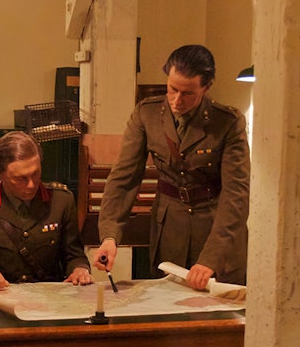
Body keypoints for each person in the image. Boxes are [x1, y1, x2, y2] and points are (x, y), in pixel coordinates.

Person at [93, 44, 250, 290]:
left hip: (214, 229)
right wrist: (109, 237)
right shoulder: (147, 113)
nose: (177, 100)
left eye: (188, 94)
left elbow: (236, 195)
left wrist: (210, 259)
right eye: (172, 89)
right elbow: (123, 179)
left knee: (218, 318)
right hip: (169, 229)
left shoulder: (228, 122)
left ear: (206, 87)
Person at [0, 131, 92, 291]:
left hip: (49, 299)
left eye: (35, 174)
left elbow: (74, 254)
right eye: (20, 178)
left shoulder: (61, 200)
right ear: (0, 173)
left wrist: (80, 269)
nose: (31, 184)